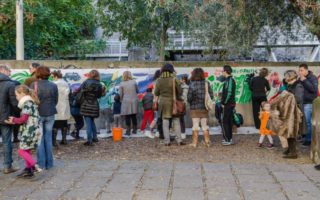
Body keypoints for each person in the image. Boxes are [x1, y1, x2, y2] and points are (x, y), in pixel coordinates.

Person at [6, 85, 42, 178]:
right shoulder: (30, 102)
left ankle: (34, 166)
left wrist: (14, 120)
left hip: (30, 130)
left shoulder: (27, 103)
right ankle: (29, 170)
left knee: (21, 151)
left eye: (16, 95)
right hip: (33, 129)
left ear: (22, 94)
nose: (16, 97)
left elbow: (23, 119)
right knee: (27, 150)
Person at [30, 66, 58, 170]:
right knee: (48, 138)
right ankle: (49, 163)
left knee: (40, 139)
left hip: (38, 113)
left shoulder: (34, 84)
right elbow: (56, 100)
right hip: (50, 112)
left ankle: (41, 163)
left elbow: (32, 101)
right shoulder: (53, 85)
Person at [154, 63, 185, 146]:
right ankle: (179, 140)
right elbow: (180, 91)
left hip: (163, 103)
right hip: (174, 102)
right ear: (172, 69)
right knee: (176, 121)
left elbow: (156, 92)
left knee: (165, 122)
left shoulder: (159, 80)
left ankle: (167, 141)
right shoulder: (174, 79)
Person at [188, 68, 214, 147]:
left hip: (195, 108)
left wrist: (192, 102)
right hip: (204, 108)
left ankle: (194, 143)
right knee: (204, 125)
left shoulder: (191, 84)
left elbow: (189, 97)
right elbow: (211, 96)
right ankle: (207, 142)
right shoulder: (206, 83)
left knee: (195, 126)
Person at [0, 65, 19, 174]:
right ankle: (7, 166)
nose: (10, 72)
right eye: (9, 70)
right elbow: (14, 103)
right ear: (2, 70)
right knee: (7, 142)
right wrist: (17, 116)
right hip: (6, 118)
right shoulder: (10, 84)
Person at [79, 70, 104, 146]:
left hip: (86, 104)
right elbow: (99, 96)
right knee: (92, 121)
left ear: (90, 75)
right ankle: (95, 137)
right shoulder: (99, 84)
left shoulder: (86, 82)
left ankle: (89, 140)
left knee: (88, 123)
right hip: (94, 104)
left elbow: (80, 91)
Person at [284, 70, 305, 158]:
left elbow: (298, 99)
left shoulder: (298, 86)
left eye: (286, 76)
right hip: (290, 111)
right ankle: (290, 150)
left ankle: (293, 153)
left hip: (295, 112)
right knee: (288, 131)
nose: (285, 78)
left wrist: (288, 96)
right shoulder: (290, 85)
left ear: (290, 76)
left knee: (292, 132)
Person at [298, 63, 318, 146]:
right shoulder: (301, 78)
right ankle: (305, 136)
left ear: (306, 70)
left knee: (308, 122)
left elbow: (314, 90)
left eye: (301, 70)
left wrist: (304, 80)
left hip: (309, 103)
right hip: (303, 102)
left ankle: (309, 140)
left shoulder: (312, 78)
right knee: (304, 122)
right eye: (299, 70)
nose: (300, 72)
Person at [52, 70, 71, 146]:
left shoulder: (53, 84)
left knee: (55, 123)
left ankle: (54, 141)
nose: (52, 78)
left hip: (56, 105)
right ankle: (64, 139)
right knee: (64, 122)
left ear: (56, 76)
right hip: (65, 105)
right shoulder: (66, 83)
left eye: (53, 77)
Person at [119, 71, 139, 136]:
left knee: (127, 116)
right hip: (134, 100)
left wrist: (121, 100)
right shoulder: (134, 82)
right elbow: (137, 91)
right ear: (130, 75)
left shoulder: (121, 83)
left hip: (126, 101)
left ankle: (128, 131)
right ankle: (135, 129)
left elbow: (120, 94)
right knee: (133, 116)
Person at [221, 65, 236, 146]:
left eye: (222, 70)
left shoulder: (229, 80)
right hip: (229, 104)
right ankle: (229, 138)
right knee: (228, 121)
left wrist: (224, 103)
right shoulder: (228, 80)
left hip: (228, 104)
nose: (221, 72)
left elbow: (229, 93)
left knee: (225, 121)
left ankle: (228, 139)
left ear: (226, 71)